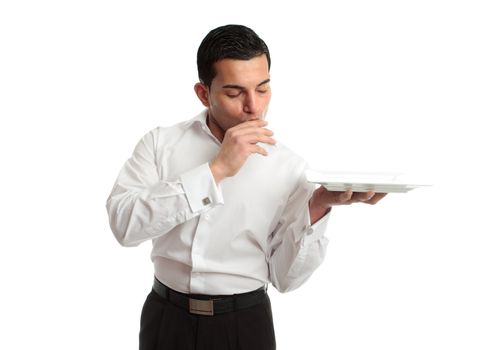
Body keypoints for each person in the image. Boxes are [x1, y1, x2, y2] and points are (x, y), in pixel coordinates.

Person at [106, 24, 386, 350]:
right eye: (235, 92)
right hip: (166, 320)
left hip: (244, 326)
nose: (254, 106)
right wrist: (216, 171)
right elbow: (124, 227)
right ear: (203, 93)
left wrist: (318, 206)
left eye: (263, 89)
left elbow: (287, 279)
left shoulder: (290, 168)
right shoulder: (159, 144)